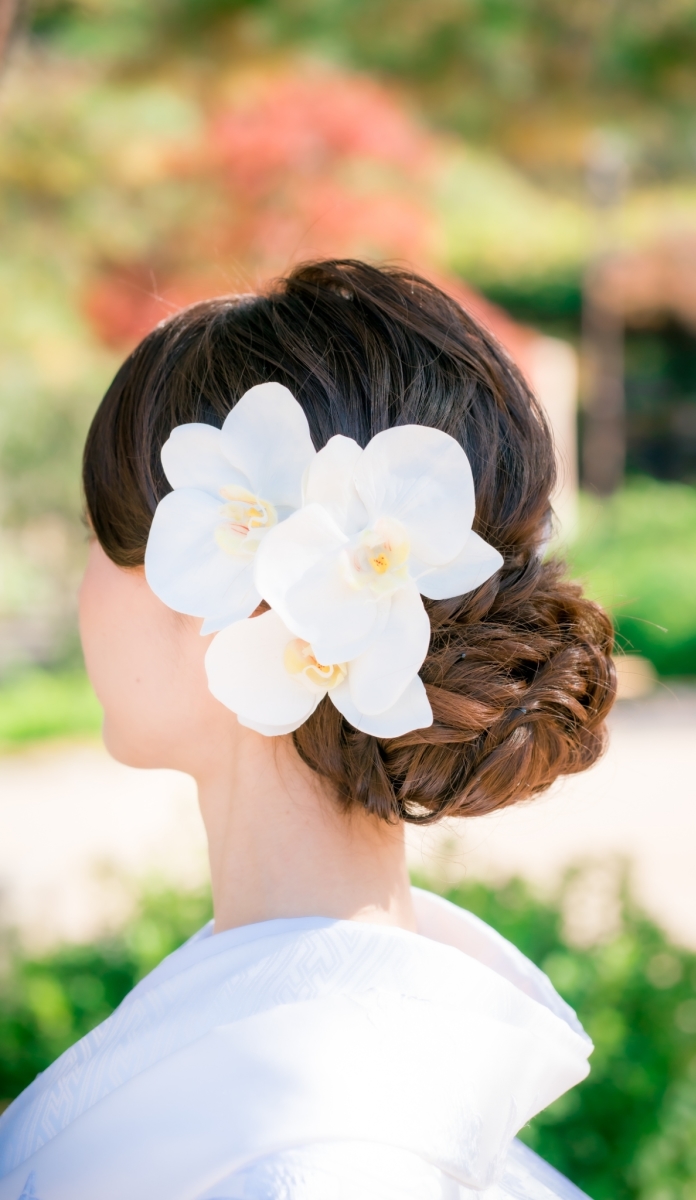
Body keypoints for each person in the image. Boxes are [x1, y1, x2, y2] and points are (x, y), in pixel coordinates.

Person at [0, 260, 615, 1199]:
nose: (84, 590)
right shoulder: (343, 1085)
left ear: (248, 592)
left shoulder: (317, 1156)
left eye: (96, 535)